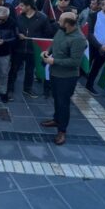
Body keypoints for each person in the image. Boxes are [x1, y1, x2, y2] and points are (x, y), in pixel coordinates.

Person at [39, 12, 87, 145]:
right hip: (55, 73)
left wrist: (54, 61)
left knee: (63, 103)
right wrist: (47, 52)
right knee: (56, 98)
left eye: (60, 21)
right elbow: (55, 43)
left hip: (67, 77)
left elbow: (75, 62)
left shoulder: (78, 39)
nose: (58, 22)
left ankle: (62, 131)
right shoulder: (61, 30)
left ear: (68, 24)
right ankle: (56, 119)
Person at [9, 0, 53, 98]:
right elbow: (14, 29)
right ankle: (10, 89)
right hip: (19, 49)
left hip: (33, 49)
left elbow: (48, 33)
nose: (20, 7)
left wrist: (37, 40)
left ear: (29, 6)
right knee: (13, 70)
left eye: (22, 5)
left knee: (30, 71)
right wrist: (18, 34)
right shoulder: (19, 16)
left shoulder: (42, 18)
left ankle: (27, 89)